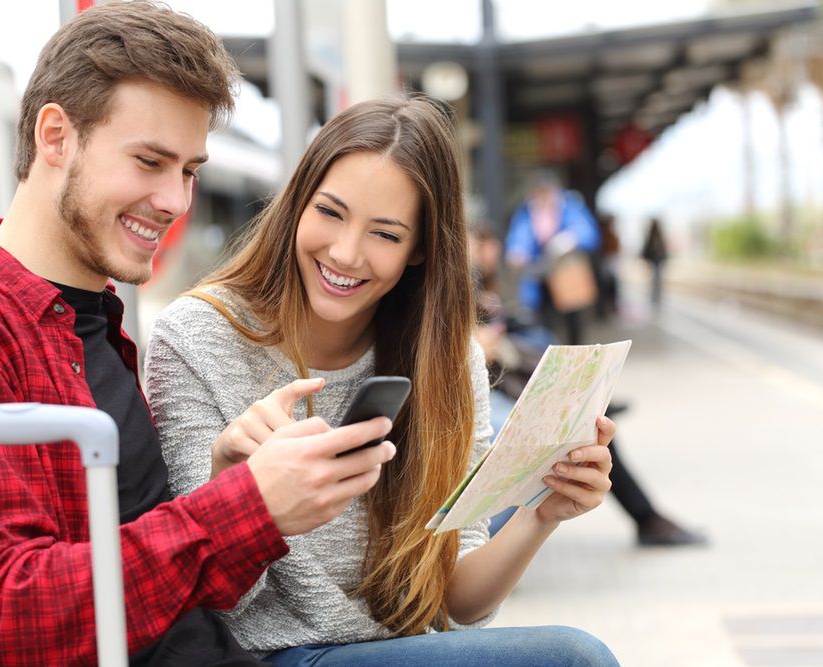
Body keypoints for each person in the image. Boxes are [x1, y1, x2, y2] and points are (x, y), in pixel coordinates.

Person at [0, 4, 395, 665]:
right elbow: (5, 618)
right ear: (56, 137)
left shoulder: (89, 318)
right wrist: (248, 507)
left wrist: (229, 482)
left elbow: (143, 571)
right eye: (149, 161)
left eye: (189, 170)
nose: (175, 200)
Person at [146, 96, 620, 666]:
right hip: (266, 655)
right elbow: (206, 599)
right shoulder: (197, 336)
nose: (345, 253)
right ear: (297, 204)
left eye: (386, 235)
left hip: (400, 650)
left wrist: (540, 513)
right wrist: (239, 489)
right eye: (330, 212)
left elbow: (457, 601)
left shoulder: (445, 360)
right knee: (573, 659)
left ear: (420, 249)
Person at [470, 223, 706, 547]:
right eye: (481, 243)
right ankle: (646, 517)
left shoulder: (481, 284)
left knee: (587, 416)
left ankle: (646, 516)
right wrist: (475, 348)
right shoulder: (452, 284)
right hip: (484, 383)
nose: (491, 251)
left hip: (498, 375)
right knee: (581, 419)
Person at [505, 171, 600, 344]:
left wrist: (570, 238)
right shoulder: (526, 211)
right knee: (542, 326)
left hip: (566, 277)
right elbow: (519, 237)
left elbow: (588, 232)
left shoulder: (571, 206)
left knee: (573, 326)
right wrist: (517, 250)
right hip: (538, 279)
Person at [641, 216, 669, 307]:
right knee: (655, 280)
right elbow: (647, 250)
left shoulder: (658, 236)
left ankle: (657, 298)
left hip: (658, 261)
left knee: (657, 280)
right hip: (654, 261)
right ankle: (654, 298)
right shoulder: (651, 237)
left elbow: (663, 250)